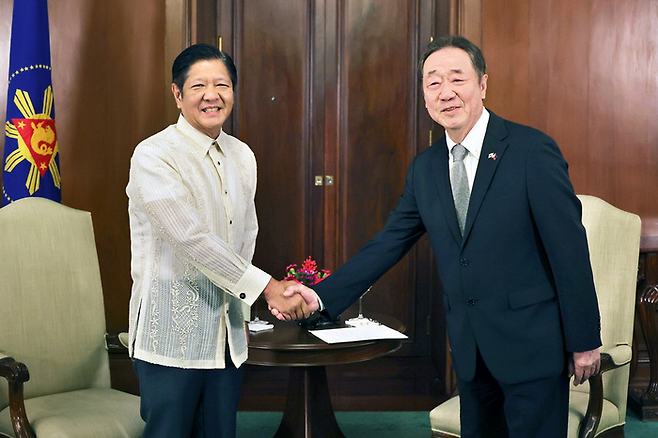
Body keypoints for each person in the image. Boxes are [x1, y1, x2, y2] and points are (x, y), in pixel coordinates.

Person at [278, 35, 601, 437]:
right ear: (425, 97)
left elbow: (569, 249)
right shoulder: (426, 168)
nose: (445, 92)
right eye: (433, 82)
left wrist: (585, 339)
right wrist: (323, 295)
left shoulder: (531, 150)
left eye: (456, 79)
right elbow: (389, 242)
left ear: (482, 84)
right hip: (470, 351)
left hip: (531, 347)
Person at [126, 43, 313, 438]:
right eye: (198, 86)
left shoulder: (242, 156)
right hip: (171, 337)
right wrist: (268, 288)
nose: (212, 95)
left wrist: (246, 308)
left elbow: (245, 237)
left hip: (226, 336)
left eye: (222, 85)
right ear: (178, 95)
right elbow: (190, 239)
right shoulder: (154, 155)